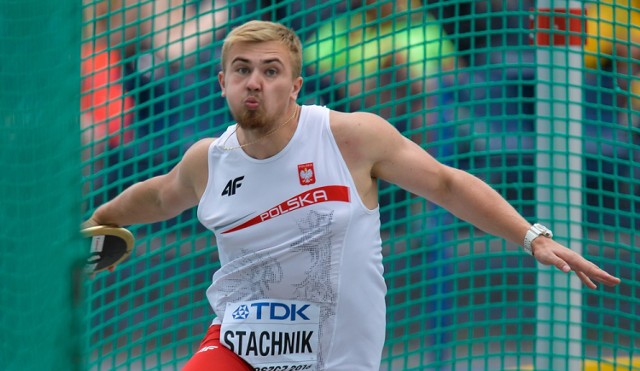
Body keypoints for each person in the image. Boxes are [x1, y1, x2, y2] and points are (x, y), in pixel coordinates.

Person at [84, 20, 622, 371]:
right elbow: (157, 198)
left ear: (295, 85)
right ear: (221, 80)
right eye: (242, 71)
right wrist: (103, 221)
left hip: (336, 359)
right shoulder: (210, 159)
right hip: (239, 343)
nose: (255, 83)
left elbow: (447, 183)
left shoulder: (349, 137)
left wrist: (531, 237)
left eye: (272, 71)